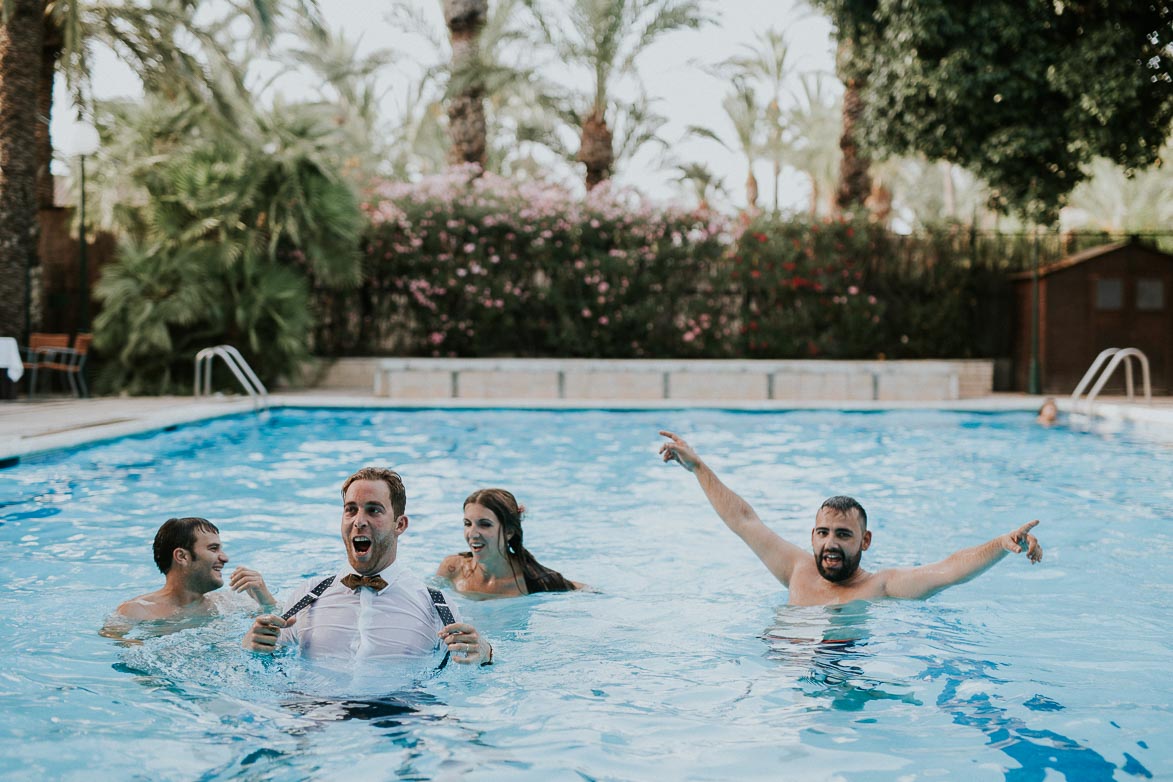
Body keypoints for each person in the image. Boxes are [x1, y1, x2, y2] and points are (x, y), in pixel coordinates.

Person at [658, 431, 1043, 606]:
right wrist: (698, 468)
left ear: (865, 541)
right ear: (812, 536)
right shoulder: (797, 570)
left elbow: (949, 568)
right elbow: (744, 521)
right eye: (823, 533)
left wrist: (1000, 544)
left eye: (843, 534)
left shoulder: (882, 587)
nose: (830, 543)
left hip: (843, 677)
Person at [242, 467, 492, 666]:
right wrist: (252, 645)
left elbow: (474, 665)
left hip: (400, 719)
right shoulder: (307, 598)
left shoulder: (437, 605)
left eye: (374, 510)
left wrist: (485, 652)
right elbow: (265, 660)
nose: (359, 521)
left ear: (400, 524)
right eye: (351, 510)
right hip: (316, 716)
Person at [112, 516, 276, 622]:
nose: (225, 558)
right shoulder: (136, 611)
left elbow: (288, 627)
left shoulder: (227, 603)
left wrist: (266, 600)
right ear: (182, 556)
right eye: (213, 549)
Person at [437, 488, 584, 598]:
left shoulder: (532, 582)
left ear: (509, 532)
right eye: (468, 524)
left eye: (485, 524)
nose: (473, 534)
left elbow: (582, 590)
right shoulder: (453, 568)